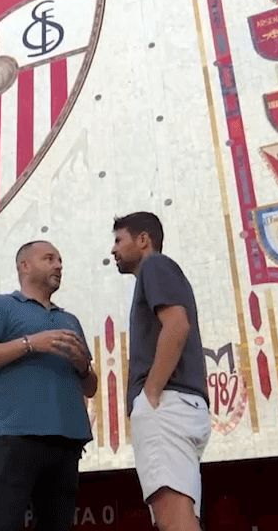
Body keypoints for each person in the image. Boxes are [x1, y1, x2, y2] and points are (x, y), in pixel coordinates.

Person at [0, 240, 97, 531]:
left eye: (60, 260)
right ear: (24, 266)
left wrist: (82, 366)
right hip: (15, 436)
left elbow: (90, 387)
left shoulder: (69, 320)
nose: (58, 265)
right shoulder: (0, 306)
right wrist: (31, 343)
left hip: (67, 440)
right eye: (49, 258)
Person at [110, 212, 210, 531]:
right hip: (176, 404)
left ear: (143, 240)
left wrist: (151, 393)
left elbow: (177, 325)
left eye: (119, 240)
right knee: (181, 518)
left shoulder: (154, 265)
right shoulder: (158, 271)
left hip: (166, 404)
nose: (113, 249)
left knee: (173, 520)